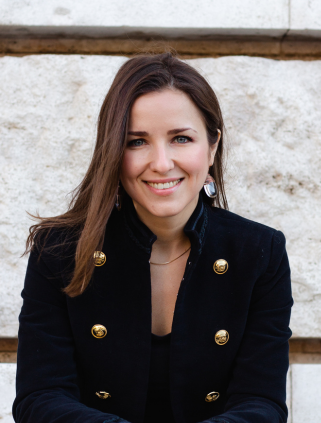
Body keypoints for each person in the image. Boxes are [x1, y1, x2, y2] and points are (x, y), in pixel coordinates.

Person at [12, 50, 294, 423]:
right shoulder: (60, 250)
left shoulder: (260, 252)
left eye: (180, 138)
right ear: (113, 151)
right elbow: (40, 397)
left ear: (211, 147)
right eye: (136, 142)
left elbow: (262, 403)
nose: (161, 163)